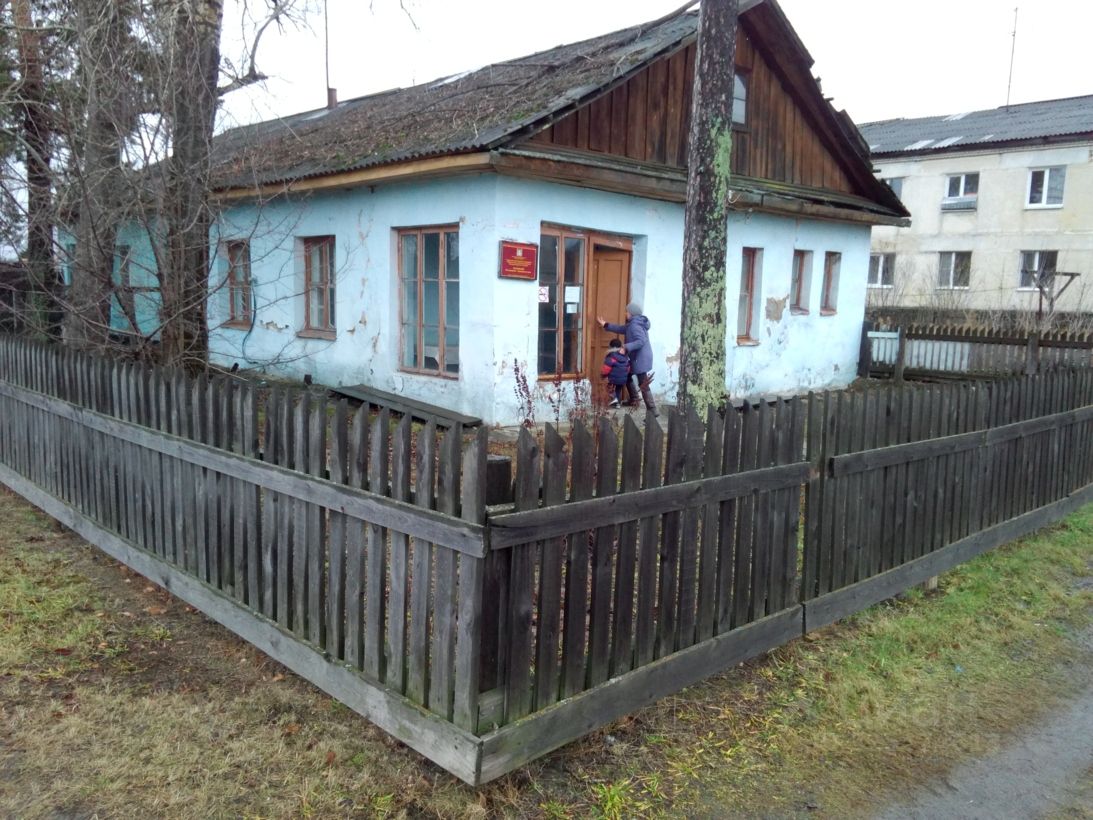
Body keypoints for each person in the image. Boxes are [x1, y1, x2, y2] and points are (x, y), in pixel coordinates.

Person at [598, 302, 657, 415]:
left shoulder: (635, 326)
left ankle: (652, 410)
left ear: (631, 313)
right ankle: (634, 399)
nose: (626, 313)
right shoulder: (634, 324)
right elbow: (620, 329)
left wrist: (626, 347)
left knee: (643, 383)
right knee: (628, 375)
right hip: (639, 357)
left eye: (627, 312)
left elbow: (641, 341)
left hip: (640, 358)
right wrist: (606, 325)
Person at [600, 338, 631, 408]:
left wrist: (603, 375)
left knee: (608, 387)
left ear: (611, 347)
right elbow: (628, 368)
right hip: (623, 379)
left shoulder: (611, 356)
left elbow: (606, 368)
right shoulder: (625, 356)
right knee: (618, 390)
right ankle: (617, 404)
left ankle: (614, 398)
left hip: (613, 378)